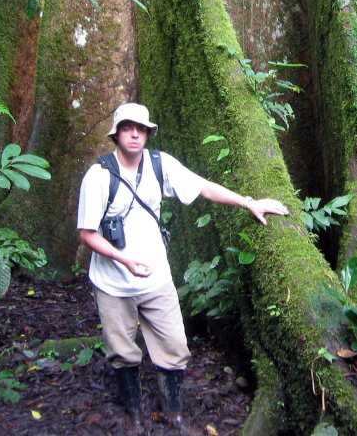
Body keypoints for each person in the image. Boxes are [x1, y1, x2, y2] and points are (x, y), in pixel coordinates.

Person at [77, 103, 288, 428]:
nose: (135, 134)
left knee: (174, 346)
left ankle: (173, 414)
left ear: (148, 133)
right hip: (112, 283)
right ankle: (134, 417)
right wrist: (124, 259)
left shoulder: (160, 164)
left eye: (141, 128)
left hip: (156, 279)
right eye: (127, 128)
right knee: (122, 352)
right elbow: (87, 233)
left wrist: (249, 202)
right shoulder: (99, 175)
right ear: (116, 134)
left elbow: (203, 186)